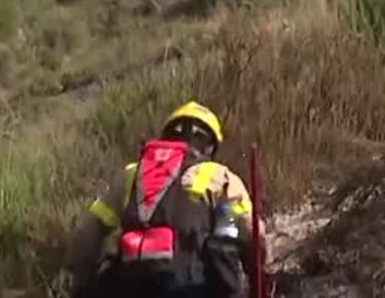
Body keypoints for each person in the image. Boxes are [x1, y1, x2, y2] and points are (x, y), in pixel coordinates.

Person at [66, 101, 256, 298]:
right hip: (192, 288)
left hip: (129, 287)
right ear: (210, 146)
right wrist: (260, 275)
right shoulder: (218, 175)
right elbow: (251, 232)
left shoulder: (132, 174)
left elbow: (87, 232)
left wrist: (82, 285)